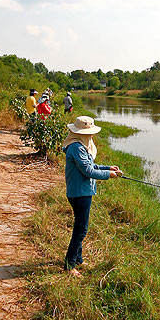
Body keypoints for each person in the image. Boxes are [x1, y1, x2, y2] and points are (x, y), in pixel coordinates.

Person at [63, 115, 122, 276]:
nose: (91, 136)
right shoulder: (77, 148)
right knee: (81, 229)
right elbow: (88, 171)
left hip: (82, 191)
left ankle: (78, 259)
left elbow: (91, 165)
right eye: (88, 133)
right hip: (79, 193)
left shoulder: (80, 146)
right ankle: (69, 265)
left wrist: (108, 167)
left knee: (81, 226)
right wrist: (108, 174)